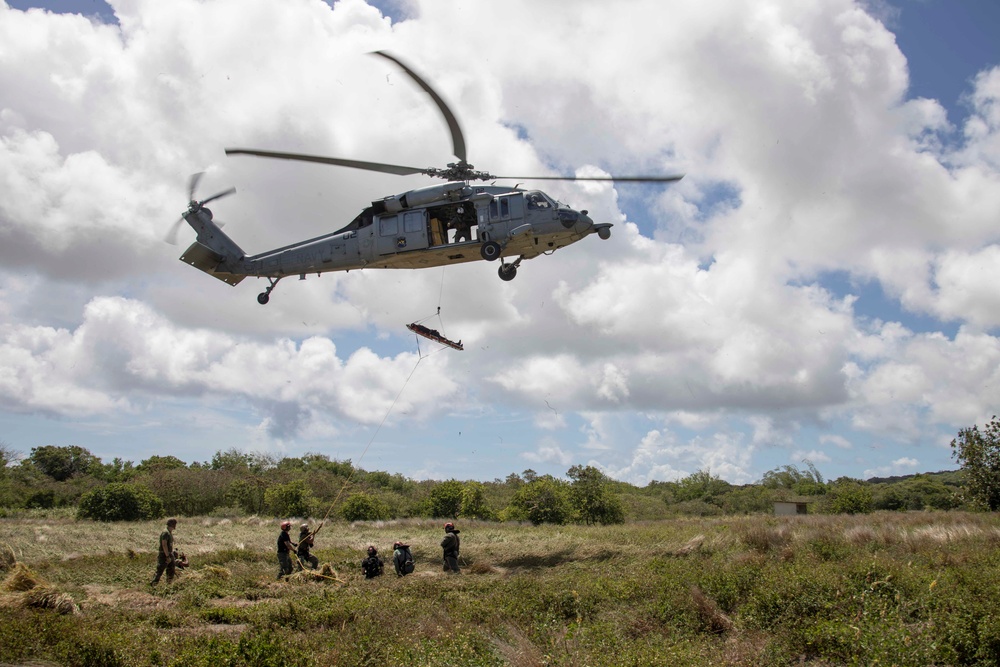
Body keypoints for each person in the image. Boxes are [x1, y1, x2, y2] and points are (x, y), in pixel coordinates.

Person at [151, 518, 178, 585]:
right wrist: (167, 556)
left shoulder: (169, 532)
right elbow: (164, 544)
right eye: (174, 524)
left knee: (171, 569)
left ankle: (169, 584)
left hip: (169, 554)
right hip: (164, 555)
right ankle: (153, 584)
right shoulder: (166, 533)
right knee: (160, 570)